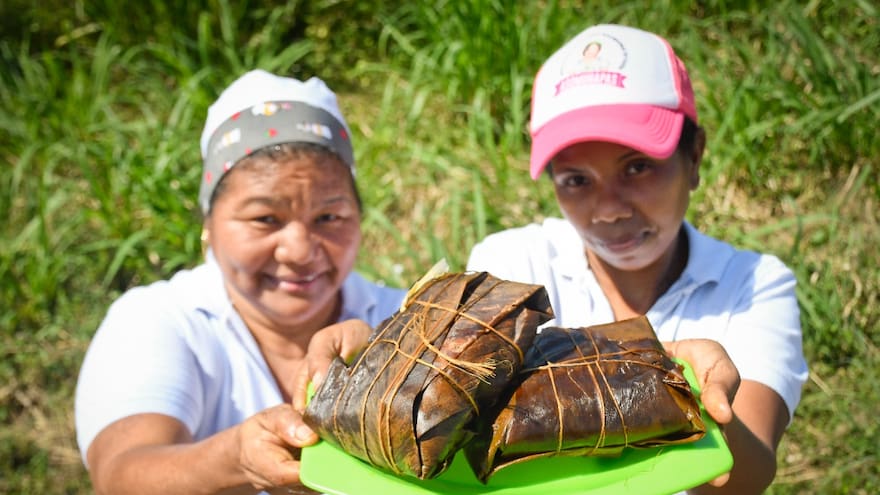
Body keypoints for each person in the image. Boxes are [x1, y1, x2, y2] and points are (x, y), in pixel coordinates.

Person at [467, 24, 808, 494]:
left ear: (695, 157)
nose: (609, 210)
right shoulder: (509, 264)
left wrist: (695, 402)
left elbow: (746, 478)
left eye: (638, 167)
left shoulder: (752, 285)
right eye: (576, 180)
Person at [75, 69, 407, 494]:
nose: (300, 250)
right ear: (209, 225)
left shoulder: (401, 319)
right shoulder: (162, 320)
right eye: (265, 219)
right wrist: (236, 459)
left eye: (329, 217)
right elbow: (120, 475)